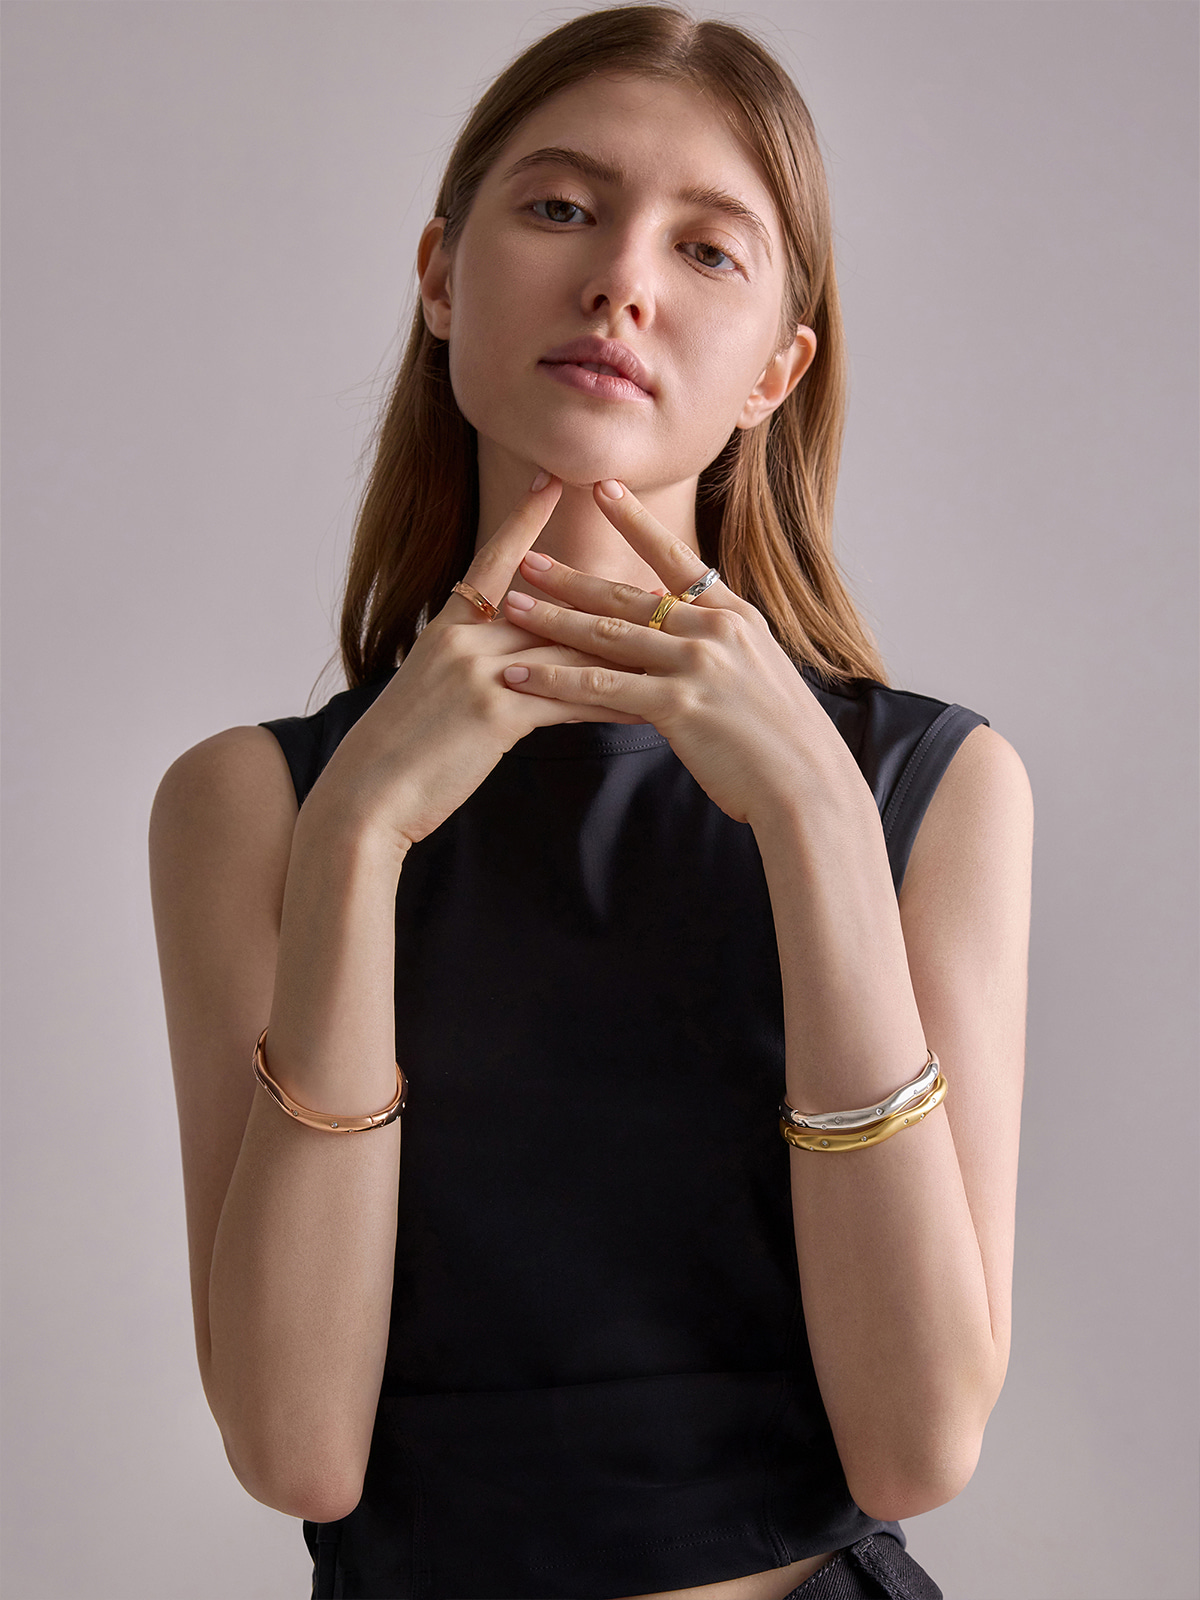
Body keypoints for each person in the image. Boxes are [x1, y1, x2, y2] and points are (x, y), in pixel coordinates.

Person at [148, 7, 1033, 1599]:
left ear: (777, 369)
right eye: (560, 207)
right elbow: (297, 1451)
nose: (622, 278)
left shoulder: (932, 790)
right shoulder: (254, 806)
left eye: (708, 249)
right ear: (440, 276)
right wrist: (356, 839)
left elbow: (914, 1450)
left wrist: (821, 825)